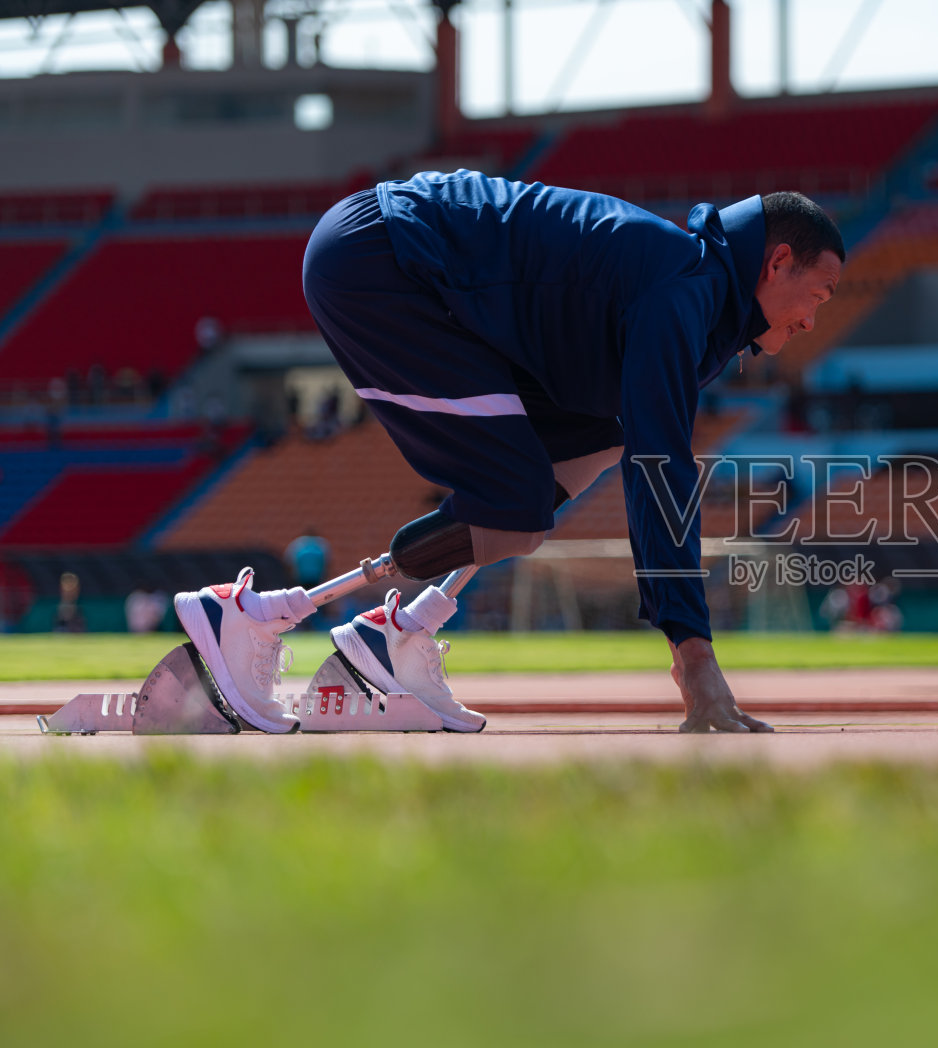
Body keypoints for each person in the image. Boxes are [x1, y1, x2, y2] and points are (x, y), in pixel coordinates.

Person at [173, 170, 844, 735]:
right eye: (817, 295)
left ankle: (391, 636)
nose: (813, 320)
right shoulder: (684, 291)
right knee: (520, 505)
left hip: (406, 265)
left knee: (576, 457)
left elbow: (631, 441)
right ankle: (249, 615)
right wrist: (693, 655)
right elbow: (661, 469)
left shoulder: (693, 295)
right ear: (776, 262)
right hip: (379, 259)